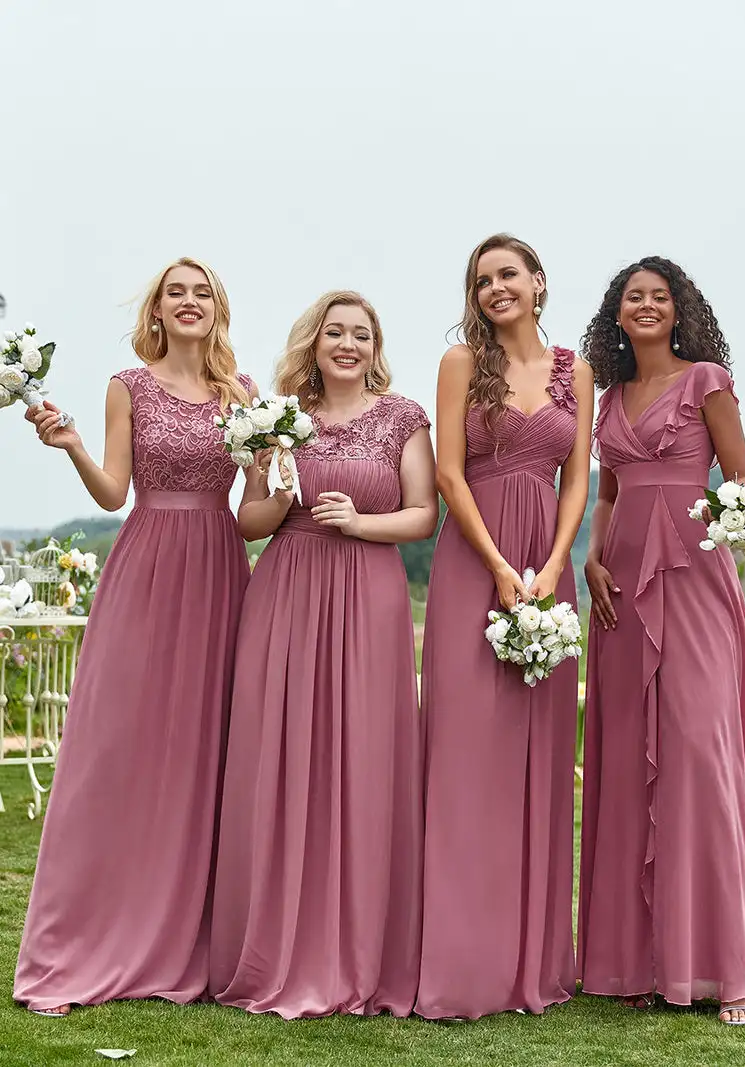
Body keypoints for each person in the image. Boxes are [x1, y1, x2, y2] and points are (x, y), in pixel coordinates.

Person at [15, 257, 253, 1015]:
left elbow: (256, 506)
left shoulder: (242, 395)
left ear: (218, 308)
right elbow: (115, 492)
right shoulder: (129, 385)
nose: (189, 302)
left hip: (221, 568)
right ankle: (90, 931)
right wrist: (74, 444)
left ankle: (192, 937)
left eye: (202, 292)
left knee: (206, 746)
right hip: (147, 567)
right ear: (157, 310)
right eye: (175, 293)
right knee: (120, 747)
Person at [210, 290, 437, 1018]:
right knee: (281, 756)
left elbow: (424, 513)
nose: (347, 344)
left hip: (369, 594)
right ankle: (275, 944)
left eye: (360, 334)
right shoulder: (278, 416)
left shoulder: (403, 417)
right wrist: (279, 497)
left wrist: (361, 522)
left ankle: (357, 944)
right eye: (334, 332)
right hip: (287, 591)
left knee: (362, 758)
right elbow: (248, 521)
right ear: (314, 341)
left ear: (376, 346)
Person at [578, 256, 745, 1025]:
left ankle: (728, 970)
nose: (648, 305)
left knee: (697, 755)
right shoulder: (608, 401)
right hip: (622, 589)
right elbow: (608, 492)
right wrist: (593, 558)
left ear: (679, 308)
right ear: (618, 316)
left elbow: (741, 481)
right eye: (635, 296)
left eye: (661, 295)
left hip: (695, 584)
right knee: (629, 765)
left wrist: (744, 531)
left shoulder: (708, 382)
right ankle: (637, 961)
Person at [416, 234, 593, 1019]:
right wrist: (495, 564)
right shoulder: (461, 364)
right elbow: (450, 471)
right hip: (472, 563)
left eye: (508, 275)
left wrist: (554, 567)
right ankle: (460, 962)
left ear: (539, 282)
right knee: (465, 754)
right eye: (482, 280)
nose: (495, 289)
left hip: (545, 571)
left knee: (537, 759)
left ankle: (533, 965)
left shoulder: (576, 371)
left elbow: (577, 477)